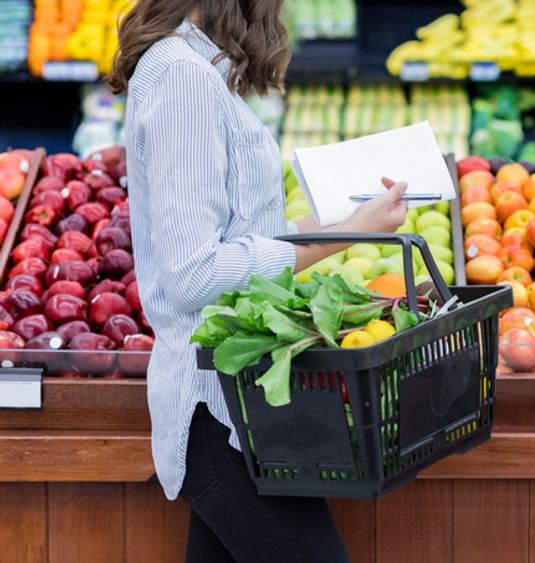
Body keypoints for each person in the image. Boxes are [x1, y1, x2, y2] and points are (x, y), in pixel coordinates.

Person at [108, 2, 409, 561]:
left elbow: (246, 235)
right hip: (218, 411)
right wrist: (342, 238)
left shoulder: (194, 69)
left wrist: (353, 223)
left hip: (240, 402)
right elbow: (193, 273)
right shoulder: (182, 79)